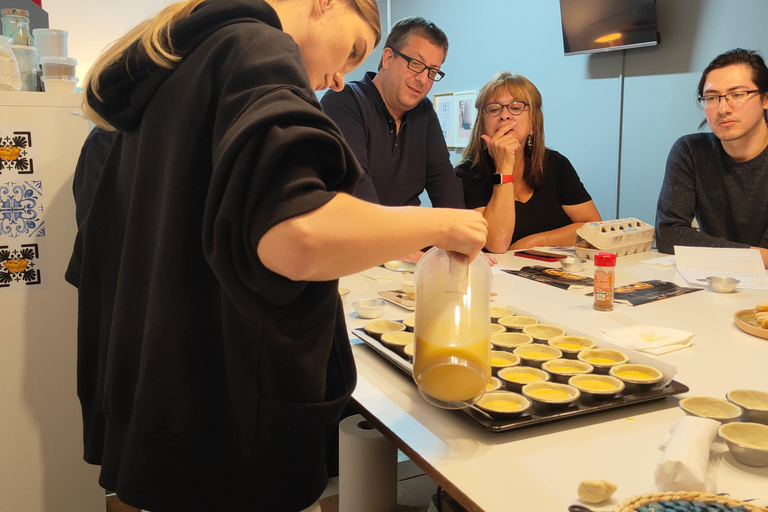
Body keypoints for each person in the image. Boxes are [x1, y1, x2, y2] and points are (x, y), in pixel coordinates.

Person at [64, 1, 487, 512]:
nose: (337, 80)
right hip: (234, 412)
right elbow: (297, 235)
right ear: (326, 3)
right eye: (351, 51)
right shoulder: (255, 47)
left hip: (168, 396)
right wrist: (442, 225)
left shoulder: (184, 62)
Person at [320, 16, 464, 209]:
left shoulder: (424, 112)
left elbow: (444, 183)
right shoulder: (344, 100)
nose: (423, 79)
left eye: (432, 71)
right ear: (388, 58)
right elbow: (356, 190)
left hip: (410, 236)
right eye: (416, 64)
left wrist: (459, 231)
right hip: (358, 235)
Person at [455, 72, 601, 254]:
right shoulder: (465, 175)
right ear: (482, 123)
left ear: (533, 121)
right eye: (493, 109)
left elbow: (592, 228)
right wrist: (504, 167)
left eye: (516, 108)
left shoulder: (556, 164)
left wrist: (535, 241)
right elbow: (496, 243)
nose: (504, 116)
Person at [655, 48, 768, 268]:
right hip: (710, 282)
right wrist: (757, 256)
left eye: (737, 95)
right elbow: (668, 234)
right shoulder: (690, 150)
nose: (723, 108)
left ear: (765, 99)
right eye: (711, 98)